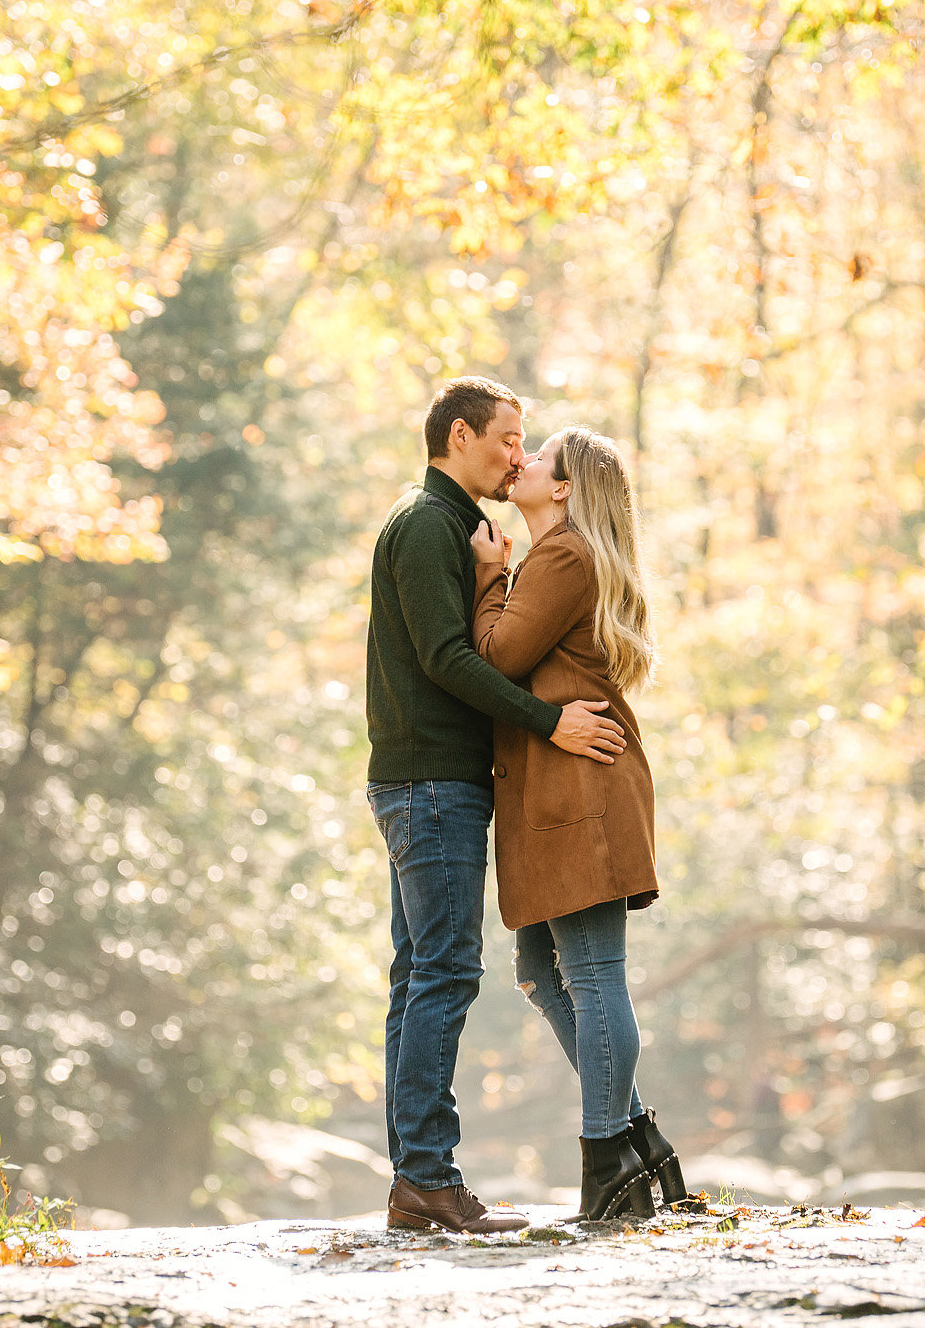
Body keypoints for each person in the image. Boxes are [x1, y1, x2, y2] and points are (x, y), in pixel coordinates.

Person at [365, 377, 629, 1235]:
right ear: (460, 433)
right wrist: (550, 722)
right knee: (444, 971)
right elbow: (452, 658)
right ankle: (430, 1177)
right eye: (508, 438)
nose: (518, 453)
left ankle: (418, 1177)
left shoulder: (453, 526)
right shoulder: (427, 525)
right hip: (431, 783)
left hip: (433, 781)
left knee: (421, 973)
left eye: (525, 443)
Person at [469, 425, 689, 1223]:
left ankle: (610, 1163)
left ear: (563, 488)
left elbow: (494, 659)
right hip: (556, 794)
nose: (519, 462)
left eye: (536, 458)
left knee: (593, 975)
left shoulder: (561, 556)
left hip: (581, 794)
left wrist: (489, 577)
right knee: (540, 970)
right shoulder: (559, 556)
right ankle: (637, 1138)